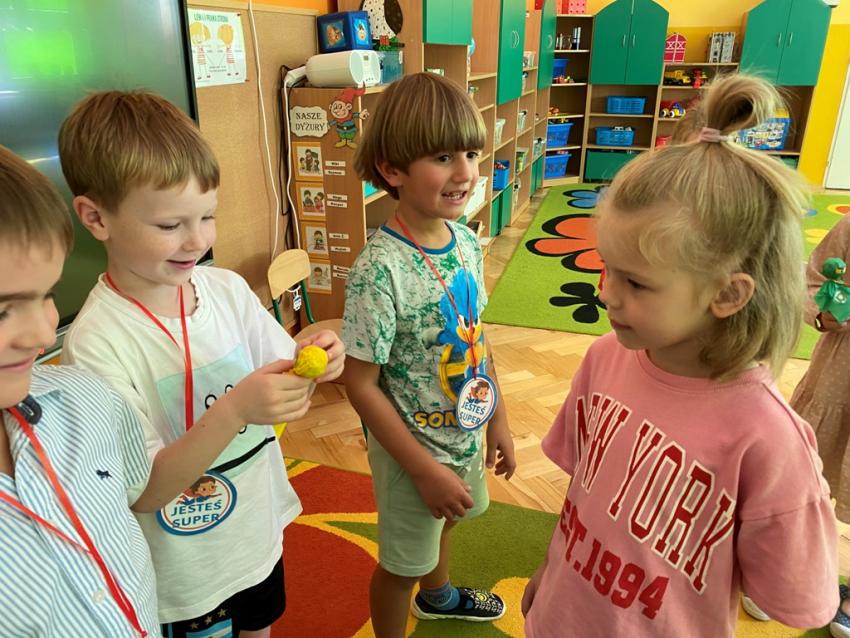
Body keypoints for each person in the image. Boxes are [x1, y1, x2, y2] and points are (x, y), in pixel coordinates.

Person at [521, 74, 839, 638]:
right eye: (607, 268)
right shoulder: (604, 358)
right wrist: (550, 568)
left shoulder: (768, 437)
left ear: (728, 294)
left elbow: (802, 600)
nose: (606, 294)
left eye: (636, 283)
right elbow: (583, 495)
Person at [57, 90, 345, 638]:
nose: (197, 241)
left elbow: (285, 367)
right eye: (170, 225)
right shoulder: (96, 343)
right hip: (184, 569)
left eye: (208, 216)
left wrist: (320, 356)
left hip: (255, 533)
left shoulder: (226, 290)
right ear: (96, 217)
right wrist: (235, 409)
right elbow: (146, 489)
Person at [343, 72, 517, 637]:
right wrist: (422, 470)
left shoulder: (464, 240)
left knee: (450, 519)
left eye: (470, 153)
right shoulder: (379, 269)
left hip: (464, 431)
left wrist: (499, 419)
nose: (465, 172)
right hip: (410, 455)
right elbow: (359, 384)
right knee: (400, 568)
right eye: (443, 157)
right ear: (393, 170)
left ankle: (438, 597)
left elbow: (477, 337)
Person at [0, 144, 159, 636]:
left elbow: (137, 492)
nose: (44, 334)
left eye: (47, 295)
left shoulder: (88, 400)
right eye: (2, 310)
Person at [789, 212, 850, 638]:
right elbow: (811, 280)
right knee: (801, 475)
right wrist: (822, 314)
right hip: (837, 376)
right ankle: (781, 564)